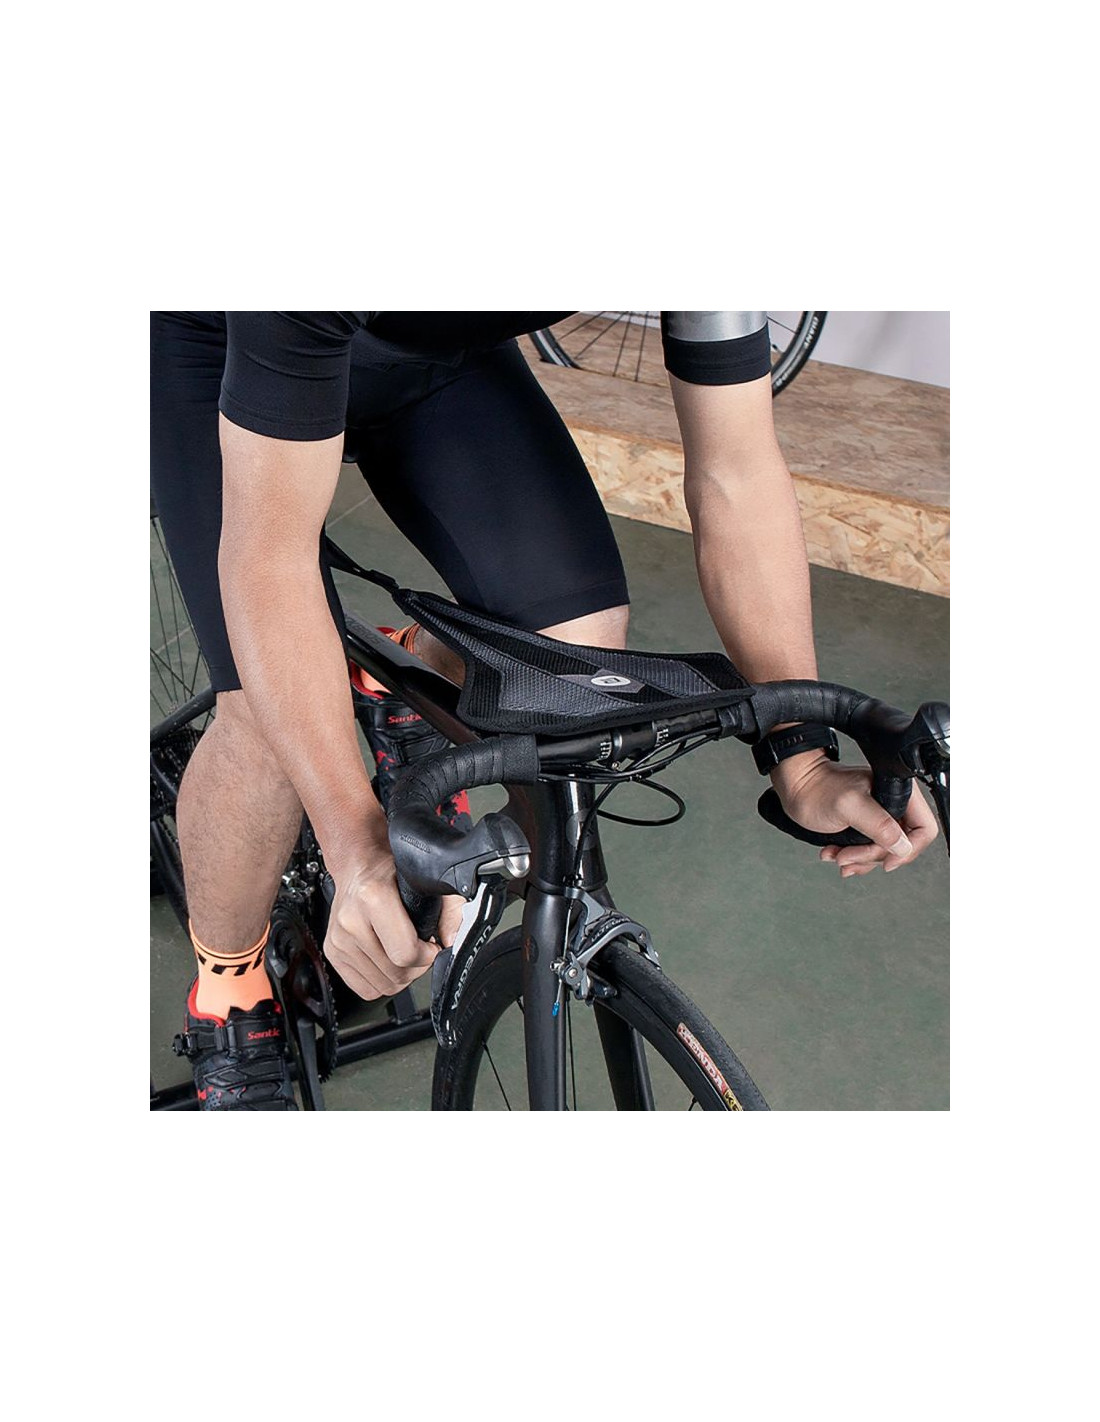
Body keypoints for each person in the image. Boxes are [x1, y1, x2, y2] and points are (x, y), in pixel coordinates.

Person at [151, 311, 938, 1110]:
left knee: (569, 661)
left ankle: (394, 678)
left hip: (433, 355)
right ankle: (228, 998)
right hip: (224, 348)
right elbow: (271, 557)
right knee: (267, 722)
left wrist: (800, 754)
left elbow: (737, 472)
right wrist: (354, 844)